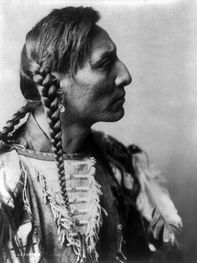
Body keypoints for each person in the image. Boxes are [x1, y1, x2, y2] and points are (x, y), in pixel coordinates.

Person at [0, 6, 182, 263]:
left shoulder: (119, 164)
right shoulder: (6, 179)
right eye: (104, 64)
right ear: (56, 82)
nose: (125, 76)